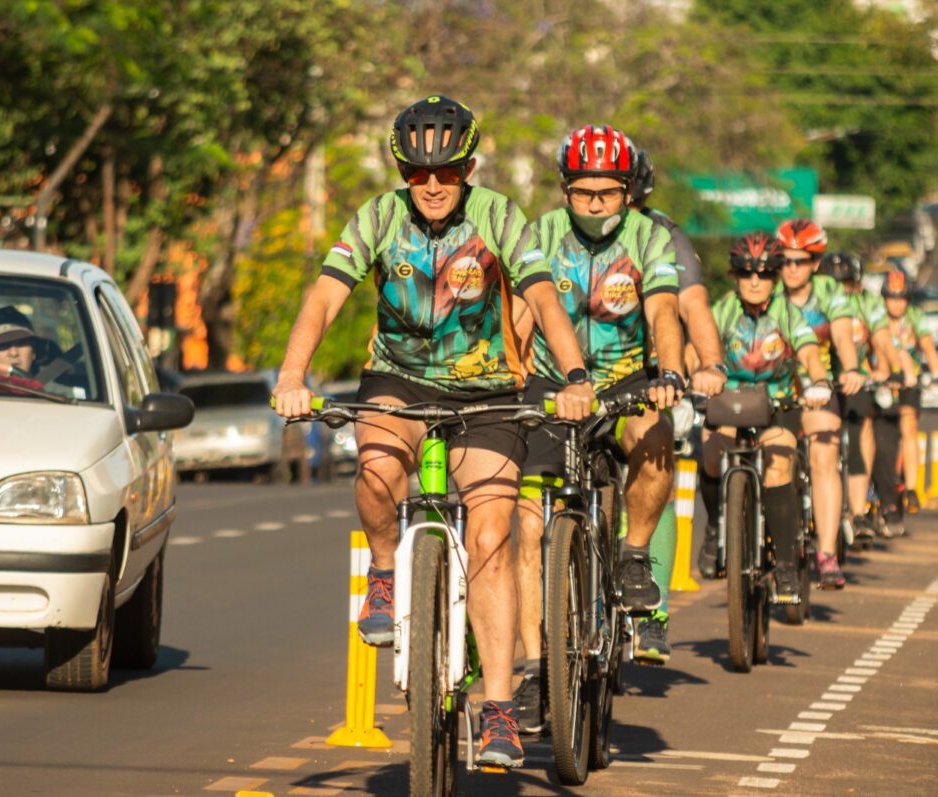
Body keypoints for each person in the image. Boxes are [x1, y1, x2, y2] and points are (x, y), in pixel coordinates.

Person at [272, 96, 597, 769]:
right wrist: (293, 372)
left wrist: (573, 375)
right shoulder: (379, 217)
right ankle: (386, 572)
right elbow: (325, 296)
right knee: (376, 474)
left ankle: (501, 709)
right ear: (401, 171)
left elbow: (542, 297)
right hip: (398, 379)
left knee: (490, 534)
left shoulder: (499, 216)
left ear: (468, 168)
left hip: (487, 391)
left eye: (446, 171)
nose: (432, 185)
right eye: (417, 172)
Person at [512, 125, 686, 732]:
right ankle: (534, 672)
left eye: (608, 193)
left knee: (656, 438)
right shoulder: (538, 235)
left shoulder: (648, 238)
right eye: (582, 191)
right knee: (526, 520)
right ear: (564, 189)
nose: (593, 204)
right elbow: (519, 314)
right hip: (549, 388)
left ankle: (634, 555)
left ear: (628, 191)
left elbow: (664, 309)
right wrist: (509, 378)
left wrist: (667, 371)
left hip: (623, 384)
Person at [622, 145, 726, 664]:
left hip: (649, 375)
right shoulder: (563, 232)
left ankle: (652, 614)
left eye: (626, 198)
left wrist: (709, 363)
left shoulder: (665, 237)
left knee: (655, 464)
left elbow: (692, 305)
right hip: (581, 377)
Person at [700, 232, 832, 603]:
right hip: (731, 400)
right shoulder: (722, 310)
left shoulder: (788, 313)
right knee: (710, 453)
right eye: (745, 273)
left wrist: (819, 380)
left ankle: (787, 566)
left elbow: (808, 352)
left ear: (775, 277)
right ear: (735, 276)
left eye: (763, 273)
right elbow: (700, 350)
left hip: (779, 404)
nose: (754, 281)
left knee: (779, 465)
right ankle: (715, 528)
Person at [773, 220, 864, 590]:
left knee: (824, 455)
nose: (792, 267)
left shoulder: (829, 292)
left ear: (815, 262)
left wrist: (853, 368)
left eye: (802, 260)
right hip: (775, 390)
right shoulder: (766, 288)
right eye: (786, 260)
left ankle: (826, 553)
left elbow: (842, 338)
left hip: (819, 389)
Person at [821, 253, 902, 542]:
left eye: (848, 283)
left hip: (855, 380)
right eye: (835, 283)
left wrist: (887, 368)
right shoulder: (815, 299)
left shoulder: (867, 303)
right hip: (818, 380)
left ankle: (857, 512)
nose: (843, 289)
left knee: (860, 427)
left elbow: (881, 339)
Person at [874, 267, 938, 536]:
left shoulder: (914, 317)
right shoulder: (876, 318)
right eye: (891, 297)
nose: (897, 303)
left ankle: (912, 487)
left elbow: (928, 347)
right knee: (881, 440)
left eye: (901, 298)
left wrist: (935, 372)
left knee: (909, 428)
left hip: (909, 384)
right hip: (884, 383)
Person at [0, 306, 61, 384]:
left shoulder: (58, 395)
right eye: (2, 345)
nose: (13, 353)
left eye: (22, 343)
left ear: (34, 352)